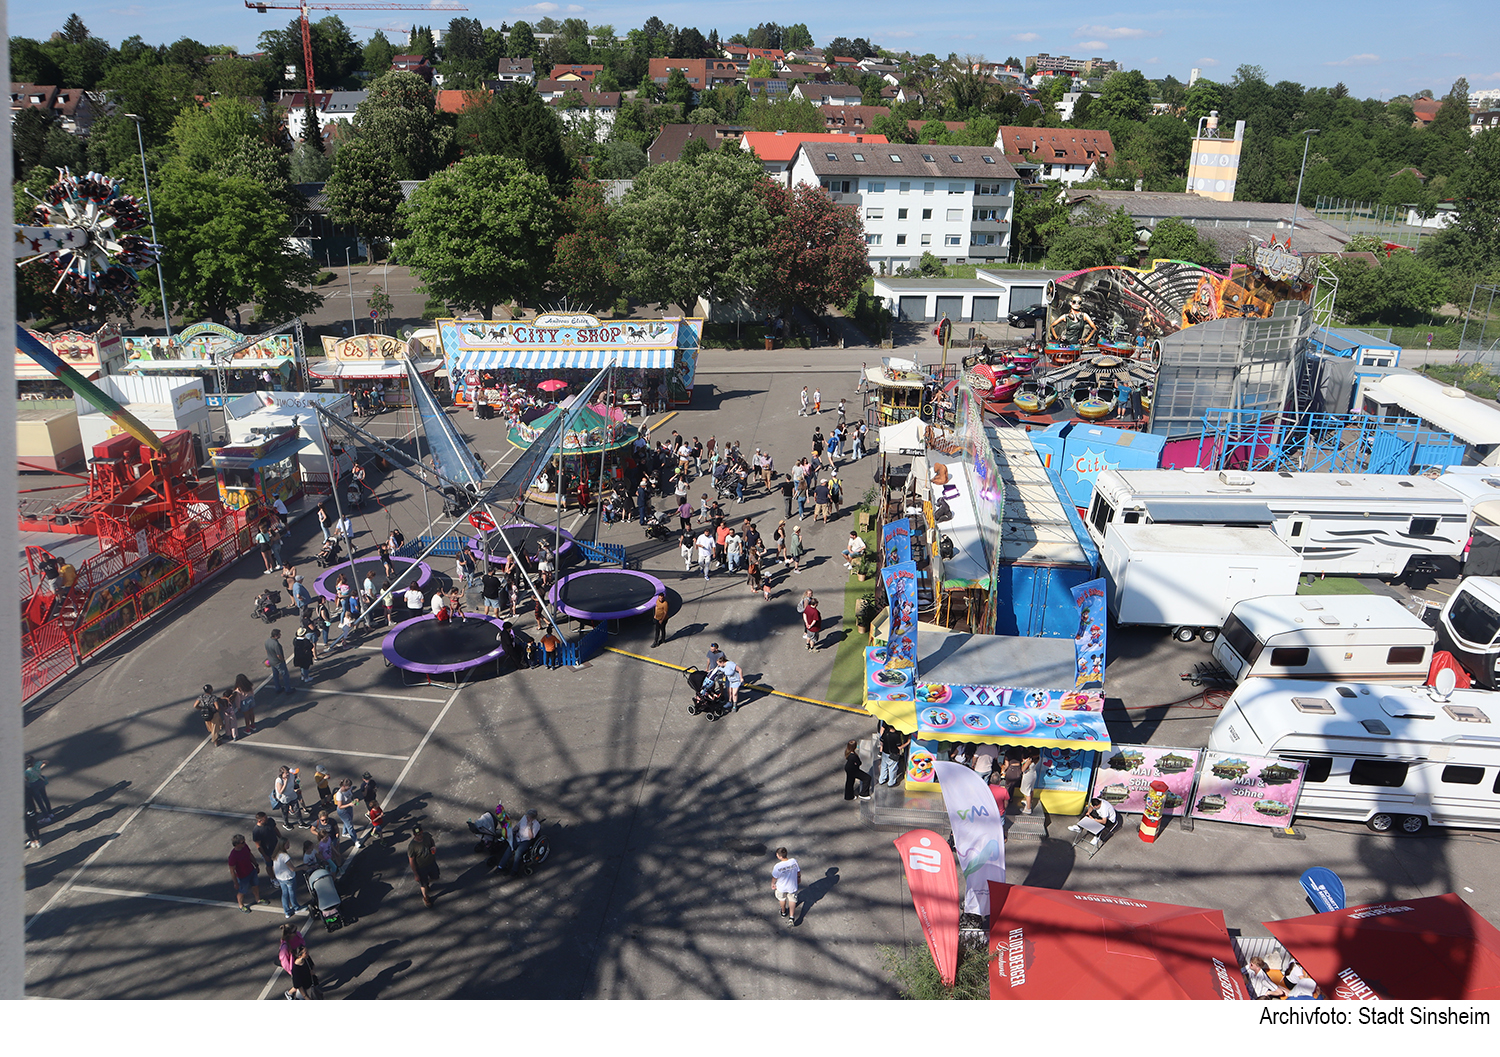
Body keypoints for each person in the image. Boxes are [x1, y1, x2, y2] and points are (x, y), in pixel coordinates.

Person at [228, 834, 264, 913]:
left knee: (255, 885)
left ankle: (258, 899)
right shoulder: (233, 856)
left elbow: (250, 855)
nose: (244, 843)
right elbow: (232, 871)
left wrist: (256, 865)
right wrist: (235, 883)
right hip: (242, 877)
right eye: (242, 842)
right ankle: (241, 905)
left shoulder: (245, 847)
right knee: (242, 891)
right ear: (236, 844)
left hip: (251, 871)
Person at [408, 823, 439, 907]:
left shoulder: (427, 836)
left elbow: (432, 841)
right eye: (418, 835)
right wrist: (415, 874)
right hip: (421, 868)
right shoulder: (412, 846)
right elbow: (411, 860)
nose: (420, 836)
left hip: (431, 863)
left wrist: (433, 847)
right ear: (414, 835)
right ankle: (425, 897)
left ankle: (426, 883)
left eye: (421, 833)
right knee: (423, 884)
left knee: (436, 877)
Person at [273, 838, 302, 918]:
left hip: (280, 878)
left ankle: (287, 912)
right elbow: (293, 869)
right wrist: (303, 867)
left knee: (284, 894)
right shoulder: (285, 856)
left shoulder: (276, 854)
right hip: (288, 877)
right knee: (292, 892)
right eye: (287, 844)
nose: (289, 845)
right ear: (282, 845)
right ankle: (296, 907)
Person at [772, 847, 801, 925]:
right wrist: (799, 878)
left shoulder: (778, 866)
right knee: (792, 900)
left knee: (782, 899)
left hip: (781, 887)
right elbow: (798, 871)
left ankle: (783, 912)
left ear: (779, 856)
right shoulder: (794, 861)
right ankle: (791, 917)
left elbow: (774, 877)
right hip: (792, 886)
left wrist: (773, 884)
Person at [334, 779, 363, 850]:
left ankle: (344, 832)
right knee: (350, 825)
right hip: (343, 811)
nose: (350, 787)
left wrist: (355, 800)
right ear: (344, 786)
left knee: (348, 821)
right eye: (348, 786)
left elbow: (351, 795)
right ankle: (355, 841)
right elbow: (340, 806)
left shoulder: (349, 789)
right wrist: (349, 804)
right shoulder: (339, 794)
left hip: (349, 808)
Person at [877, 722, 909, 786]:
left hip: (885, 753)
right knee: (892, 769)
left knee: (884, 767)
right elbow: (899, 747)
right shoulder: (896, 736)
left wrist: (881, 749)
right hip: (893, 754)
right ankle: (891, 782)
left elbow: (881, 741)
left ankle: (881, 780)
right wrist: (908, 742)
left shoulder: (885, 733)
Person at [266, 629, 291, 694]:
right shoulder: (276, 644)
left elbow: (267, 651)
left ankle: (277, 688)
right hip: (278, 662)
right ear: (276, 636)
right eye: (279, 634)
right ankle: (288, 689)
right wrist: (282, 660)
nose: (280, 635)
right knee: (285, 675)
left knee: (275, 675)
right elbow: (278, 655)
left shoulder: (267, 641)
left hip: (272, 661)